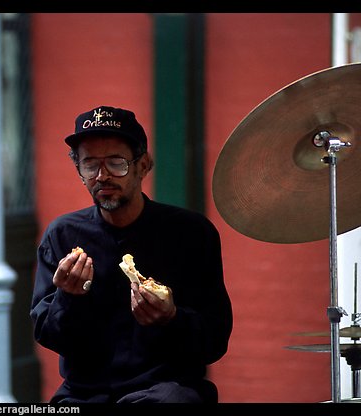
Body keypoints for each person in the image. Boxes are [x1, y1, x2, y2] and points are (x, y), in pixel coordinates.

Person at [30, 105, 233, 403]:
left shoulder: (191, 233)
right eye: (89, 164)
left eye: (116, 163)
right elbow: (48, 336)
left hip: (164, 389)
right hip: (85, 393)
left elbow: (214, 342)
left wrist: (172, 318)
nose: (102, 176)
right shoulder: (62, 235)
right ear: (79, 170)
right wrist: (67, 299)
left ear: (143, 165)